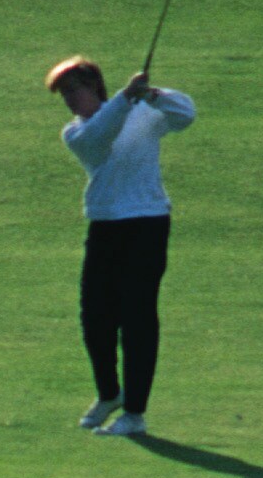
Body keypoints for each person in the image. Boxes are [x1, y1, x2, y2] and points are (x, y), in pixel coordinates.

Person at [45, 54, 195, 436]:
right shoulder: (76, 133)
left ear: (94, 86)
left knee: (138, 318)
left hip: (147, 223)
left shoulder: (142, 112)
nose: (69, 100)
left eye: (73, 90)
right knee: (95, 319)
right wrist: (127, 98)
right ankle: (109, 393)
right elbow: (102, 137)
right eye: (64, 94)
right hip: (105, 226)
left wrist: (153, 95)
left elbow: (186, 114)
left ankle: (135, 414)